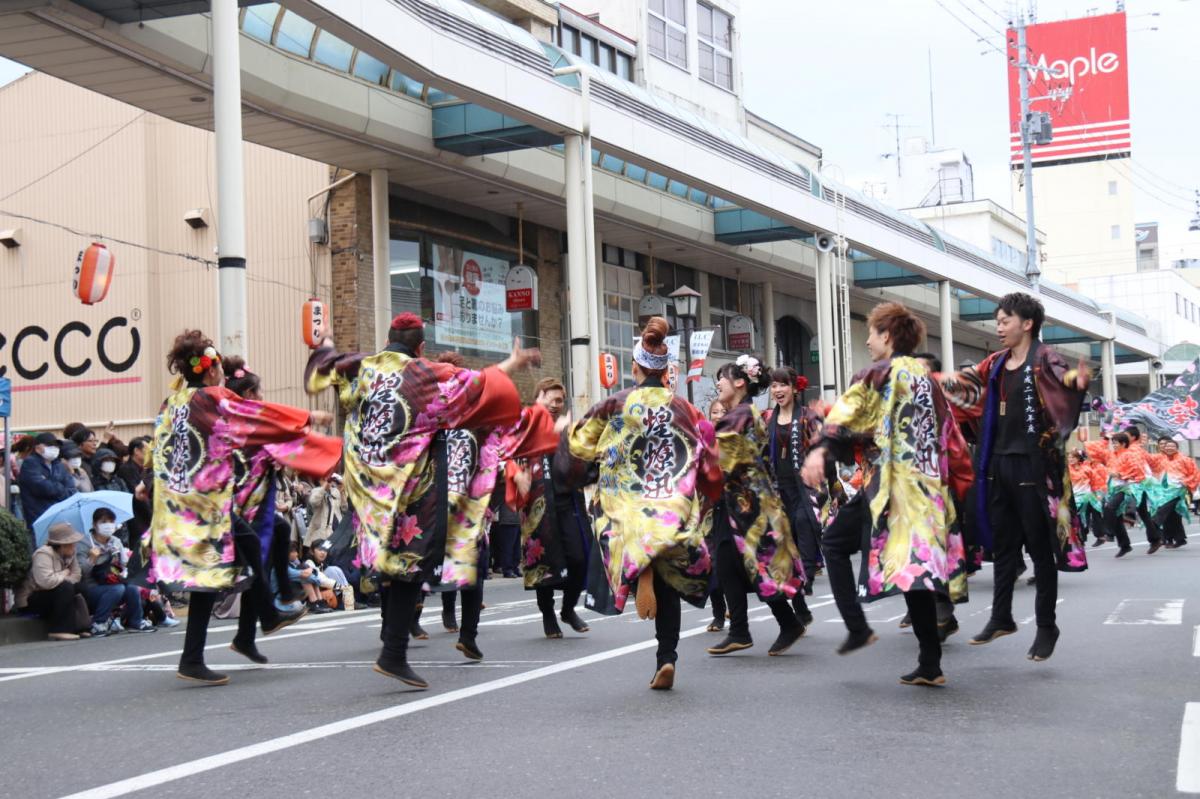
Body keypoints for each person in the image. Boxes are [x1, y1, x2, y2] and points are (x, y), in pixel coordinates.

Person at [305, 312, 539, 689]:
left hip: (368, 488)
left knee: (390, 565)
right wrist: (513, 361)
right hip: (410, 491)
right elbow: (480, 384)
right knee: (410, 565)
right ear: (421, 347)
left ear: (387, 340)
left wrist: (327, 342)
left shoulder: (365, 367)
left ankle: (393, 644)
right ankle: (393, 653)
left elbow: (327, 367)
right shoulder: (424, 373)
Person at [151, 330, 341, 686]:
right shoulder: (212, 398)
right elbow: (257, 415)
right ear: (211, 369)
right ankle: (262, 616)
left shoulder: (172, 403)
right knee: (244, 551)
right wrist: (308, 417)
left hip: (178, 501)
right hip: (205, 503)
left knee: (221, 570)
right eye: (219, 368)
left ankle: (203, 652)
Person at [804, 302, 972, 686]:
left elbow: (846, 416)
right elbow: (951, 435)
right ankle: (930, 663)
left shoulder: (878, 373)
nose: (868, 340)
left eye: (872, 333)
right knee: (915, 572)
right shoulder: (927, 379)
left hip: (889, 489)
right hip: (926, 488)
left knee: (834, 543)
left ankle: (857, 627)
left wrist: (820, 448)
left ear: (887, 335)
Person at [568, 317, 721, 690]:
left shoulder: (616, 403)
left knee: (626, 543)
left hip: (627, 506)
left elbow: (580, 446)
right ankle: (666, 658)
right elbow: (710, 459)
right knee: (670, 586)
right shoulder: (686, 408)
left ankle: (639, 572)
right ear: (666, 371)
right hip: (668, 505)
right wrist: (706, 492)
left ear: (634, 367)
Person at [939, 293, 1088, 663]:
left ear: (1027, 323)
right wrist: (931, 380)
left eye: (1005, 320)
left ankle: (1046, 626)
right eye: (998, 321)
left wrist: (1075, 381)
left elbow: (1064, 382)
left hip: (1033, 466)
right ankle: (1001, 616)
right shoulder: (996, 363)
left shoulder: (1045, 359)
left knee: (1039, 549)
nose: (999, 327)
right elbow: (964, 385)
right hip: (997, 464)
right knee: (1004, 546)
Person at [224, 354, 334, 659]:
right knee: (256, 568)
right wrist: (311, 418)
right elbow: (280, 423)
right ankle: (269, 613)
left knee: (278, 537)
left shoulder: (247, 420)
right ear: (249, 394)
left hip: (258, 502)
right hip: (246, 506)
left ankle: (250, 632)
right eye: (259, 391)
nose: (262, 396)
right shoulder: (244, 420)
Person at [706, 354, 808, 658]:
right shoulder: (745, 412)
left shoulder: (740, 416)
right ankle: (745, 629)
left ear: (740, 382)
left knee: (755, 565)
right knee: (730, 562)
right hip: (739, 503)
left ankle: (778, 624)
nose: (718, 384)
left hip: (747, 506)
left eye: (722, 379)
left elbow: (714, 457)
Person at [508, 377, 591, 639]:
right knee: (542, 561)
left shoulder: (567, 428)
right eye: (552, 399)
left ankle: (568, 608)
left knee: (579, 557)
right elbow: (505, 452)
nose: (556, 405)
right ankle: (548, 614)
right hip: (538, 502)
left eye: (560, 401)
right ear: (539, 396)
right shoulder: (525, 422)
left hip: (568, 502)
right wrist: (516, 474)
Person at [765, 366, 823, 612]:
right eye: (774, 385)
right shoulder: (767, 418)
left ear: (794, 388)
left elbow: (823, 447)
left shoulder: (808, 416)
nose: (778, 390)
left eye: (783, 385)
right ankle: (796, 590)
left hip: (805, 486)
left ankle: (807, 575)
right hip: (779, 487)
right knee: (784, 535)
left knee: (803, 522)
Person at [78, 508, 154, 635]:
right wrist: (91, 559)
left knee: (131, 587)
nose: (108, 525)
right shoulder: (84, 543)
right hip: (92, 589)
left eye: (111, 522)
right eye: (103, 522)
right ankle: (98, 623)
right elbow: (80, 572)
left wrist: (121, 562)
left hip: (113, 583)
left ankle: (136, 621)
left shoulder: (115, 541)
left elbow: (125, 567)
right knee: (118, 589)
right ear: (94, 525)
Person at [15, 522, 89, 640]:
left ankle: (80, 627)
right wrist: (64, 573)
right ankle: (59, 630)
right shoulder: (43, 554)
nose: (74, 546)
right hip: (31, 599)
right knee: (65, 587)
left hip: (52, 591)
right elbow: (45, 582)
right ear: (62, 545)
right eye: (71, 543)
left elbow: (76, 576)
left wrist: (61, 578)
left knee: (80, 587)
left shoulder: (70, 554)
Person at [18, 433, 76, 535]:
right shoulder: (30, 463)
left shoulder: (59, 465)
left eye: (56, 446)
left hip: (60, 517)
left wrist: (50, 483)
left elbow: (72, 490)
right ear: (37, 447)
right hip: (39, 518)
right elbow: (41, 487)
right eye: (49, 445)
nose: (54, 448)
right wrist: (60, 486)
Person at [1103, 432, 1148, 557]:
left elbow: (1136, 470)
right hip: (1114, 488)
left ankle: (1109, 533)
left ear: (1123, 443)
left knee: (1110, 507)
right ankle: (1125, 545)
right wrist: (1105, 438)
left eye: (1116, 443)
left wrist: (1120, 474)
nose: (1113, 445)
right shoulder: (1112, 455)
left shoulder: (1130, 455)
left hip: (1127, 487)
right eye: (1112, 443)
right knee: (1115, 515)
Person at [705, 397, 727, 631]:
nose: (719, 416)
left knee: (729, 562)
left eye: (723, 412)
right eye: (715, 412)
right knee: (711, 562)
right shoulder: (704, 441)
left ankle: (735, 608)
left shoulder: (734, 438)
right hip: (708, 510)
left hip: (731, 507)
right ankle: (718, 613)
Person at [1152, 437, 1199, 548]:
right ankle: (1179, 539)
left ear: (1177, 448)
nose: (1169, 448)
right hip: (1163, 490)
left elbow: (1195, 473)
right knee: (1173, 514)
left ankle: (1155, 524)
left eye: (1172, 446)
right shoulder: (1161, 460)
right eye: (1167, 446)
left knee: (1164, 509)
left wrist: (1186, 481)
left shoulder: (1185, 460)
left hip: (1178, 490)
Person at [1123, 425, 1164, 552]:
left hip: (1139, 482)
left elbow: (1143, 464)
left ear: (1133, 437)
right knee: (1144, 513)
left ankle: (1130, 514)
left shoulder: (1134, 449)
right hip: (1140, 481)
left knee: (1133, 498)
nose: (1124, 437)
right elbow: (1151, 460)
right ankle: (1155, 539)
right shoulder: (1132, 449)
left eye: (1126, 435)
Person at [1067, 449, 1103, 546]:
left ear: (1078, 458)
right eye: (1069, 457)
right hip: (1077, 499)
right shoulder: (1067, 471)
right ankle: (1082, 538)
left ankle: (1100, 536)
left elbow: (1094, 482)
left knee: (1096, 514)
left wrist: (1098, 494)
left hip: (1089, 496)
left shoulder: (1087, 469)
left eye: (1072, 457)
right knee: (1081, 519)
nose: (1070, 459)